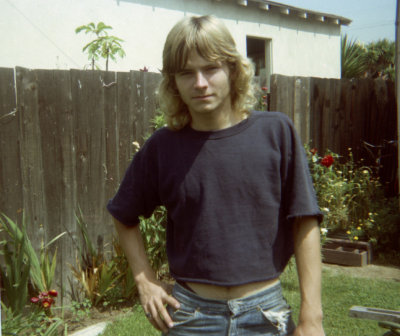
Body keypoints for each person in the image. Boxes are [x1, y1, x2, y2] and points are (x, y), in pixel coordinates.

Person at [107, 15, 325, 336]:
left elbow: (305, 221)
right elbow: (123, 215)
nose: (200, 83)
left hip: (265, 315)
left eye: (211, 68)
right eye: (186, 73)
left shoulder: (276, 132)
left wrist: (312, 316)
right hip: (191, 317)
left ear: (233, 70)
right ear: (173, 82)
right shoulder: (162, 147)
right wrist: (144, 279)